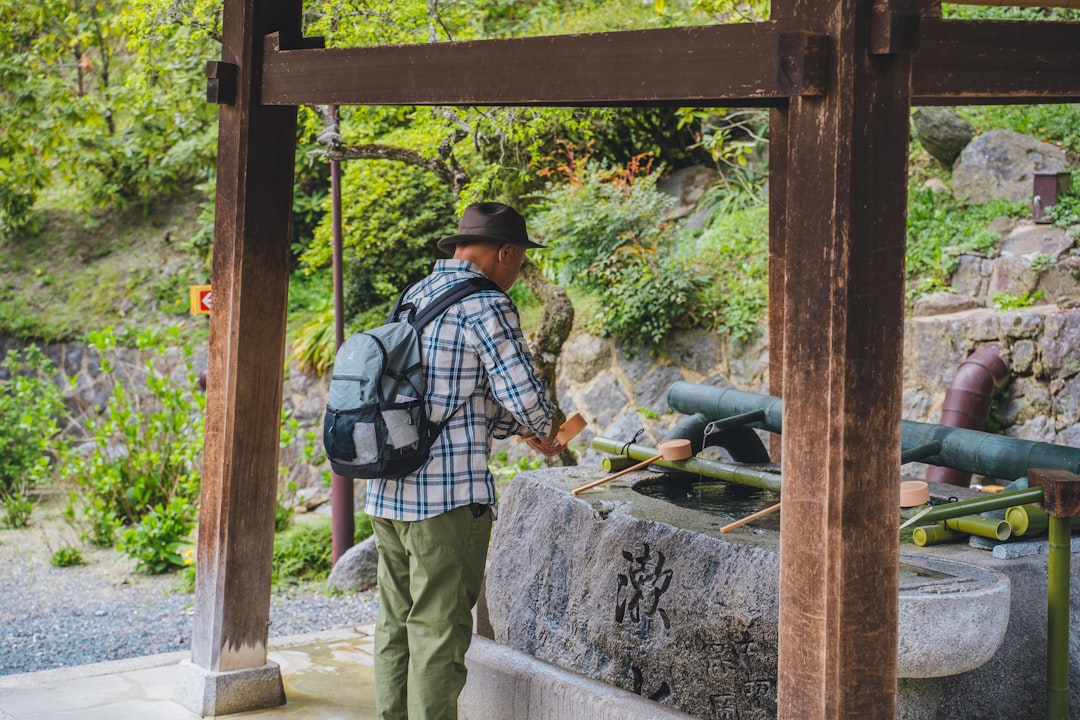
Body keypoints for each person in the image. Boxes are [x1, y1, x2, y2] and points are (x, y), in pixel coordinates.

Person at [366, 201, 565, 720]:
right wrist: (545, 428)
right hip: (445, 498)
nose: (518, 274)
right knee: (438, 630)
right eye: (519, 261)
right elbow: (522, 392)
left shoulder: (416, 296)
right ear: (504, 252)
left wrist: (517, 427)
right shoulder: (485, 303)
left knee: (397, 622)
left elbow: (456, 396)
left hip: (386, 488)